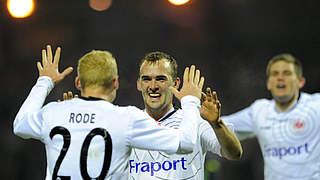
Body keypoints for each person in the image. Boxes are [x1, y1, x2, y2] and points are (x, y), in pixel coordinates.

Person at [13, 45, 211, 179]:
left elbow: (20, 124)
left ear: (78, 83)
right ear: (115, 82)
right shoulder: (125, 118)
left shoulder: (52, 113)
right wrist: (190, 100)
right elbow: (185, 143)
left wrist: (44, 81)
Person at [128, 52, 242, 179]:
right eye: (147, 79)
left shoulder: (194, 120)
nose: (153, 86)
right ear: (139, 84)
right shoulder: (128, 125)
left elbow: (234, 153)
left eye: (161, 79)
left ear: (176, 83)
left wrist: (217, 124)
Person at [222, 53, 320, 180]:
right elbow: (222, 125)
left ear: (300, 82)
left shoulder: (315, 106)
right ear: (268, 83)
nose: (280, 78)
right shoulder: (260, 111)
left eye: (287, 73)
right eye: (275, 74)